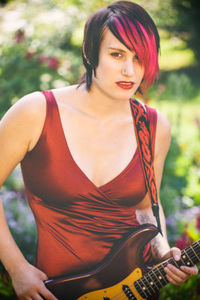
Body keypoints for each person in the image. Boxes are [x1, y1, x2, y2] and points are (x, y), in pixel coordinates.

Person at [0, 1, 198, 299]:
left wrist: (161, 252)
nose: (130, 71)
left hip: (135, 291)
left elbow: (146, 208)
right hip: (55, 291)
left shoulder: (154, 125)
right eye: (117, 54)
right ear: (90, 53)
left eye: (140, 57)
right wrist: (17, 268)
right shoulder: (36, 111)